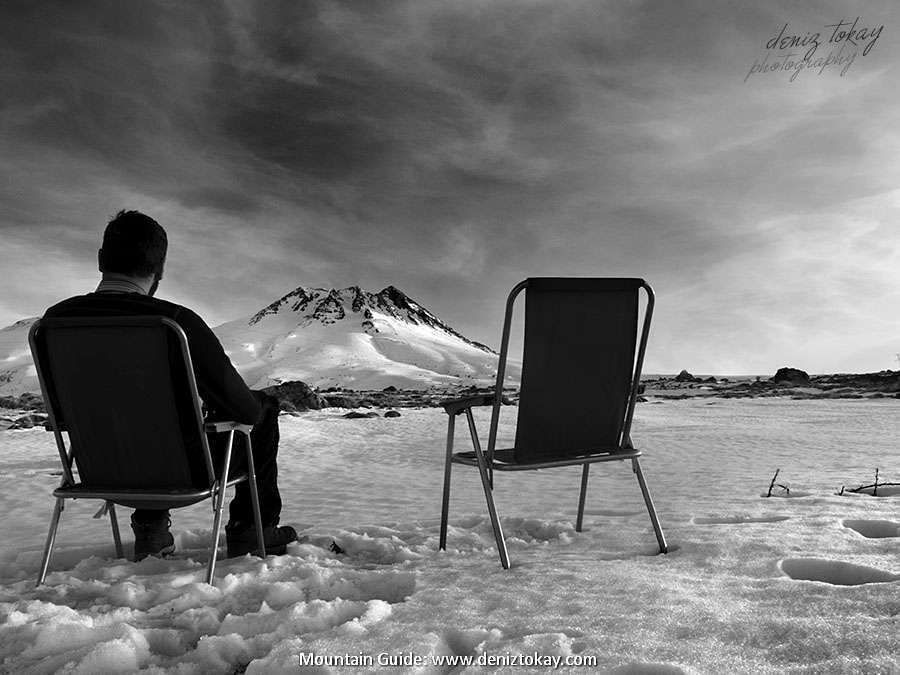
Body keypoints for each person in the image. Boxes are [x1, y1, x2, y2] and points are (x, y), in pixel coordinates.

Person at [43, 210, 298, 560]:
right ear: (159, 271)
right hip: (183, 473)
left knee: (136, 417)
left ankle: (150, 530)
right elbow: (245, 410)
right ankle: (252, 530)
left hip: (97, 470)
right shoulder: (175, 323)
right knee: (264, 411)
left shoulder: (54, 322)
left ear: (101, 259)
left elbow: (58, 413)